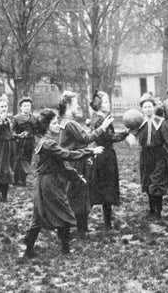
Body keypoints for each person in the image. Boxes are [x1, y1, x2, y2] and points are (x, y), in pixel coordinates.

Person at [22, 109, 105, 258]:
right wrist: (90, 152)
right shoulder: (47, 143)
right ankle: (64, 249)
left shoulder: (47, 141)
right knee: (63, 212)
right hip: (49, 184)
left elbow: (63, 164)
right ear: (46, 125)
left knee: (40, 215)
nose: (58, 126)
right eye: (54, 123)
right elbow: (67, 155)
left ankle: (30, 247)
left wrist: (77, 177)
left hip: (47, 182)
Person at [57, 91, 114, 236]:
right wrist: (103, 127)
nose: (78, 107)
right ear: (69, 105)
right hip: (74, 162)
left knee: (78, 194)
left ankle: (81, 227)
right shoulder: (70, 123)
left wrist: (88, 151)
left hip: (75, 160)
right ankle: (74, 228)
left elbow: (79, 140)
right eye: (76, 104)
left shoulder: (67, 122)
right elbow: (86, 138)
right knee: (77, 194)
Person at [88, 90, 128, 230]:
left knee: (99, 188)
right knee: (106, 189)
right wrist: (126, 133)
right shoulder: (100, 119)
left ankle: (93, 222)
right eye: (105, 102)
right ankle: (106, 224)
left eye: (108, 101)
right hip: (105, 156)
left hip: (100, 154)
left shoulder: (98, 117)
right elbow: (110, 137)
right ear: (99, 104)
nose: (108, 104)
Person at [134, 94, 168, 219]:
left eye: (150, 106)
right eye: (145, 107)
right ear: (142, 109)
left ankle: (158, 212)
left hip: (159, 155)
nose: (147, 109)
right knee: (147, 182)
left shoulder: (161, 122)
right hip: (145, 155)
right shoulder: (139, 122)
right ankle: (151, 209)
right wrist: (130, 137)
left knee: (157, 183)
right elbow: (131, 133)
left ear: (154, 107)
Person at [12, 97, 39, 187]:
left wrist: (32, 135)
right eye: (25, 106)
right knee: (18, 160)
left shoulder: (34, 118)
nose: (27, 107)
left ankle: (23, 180)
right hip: (19, 143)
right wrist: (17, 135)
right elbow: (12, 131)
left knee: (27, 160)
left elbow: (37, 130)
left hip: (29, 143)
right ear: (21, 107)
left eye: (28, 106)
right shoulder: (16, 118)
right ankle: (16, 180)